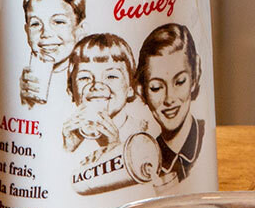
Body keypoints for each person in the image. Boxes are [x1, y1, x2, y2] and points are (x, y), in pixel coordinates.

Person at [60, 33, 160, 186]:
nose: (97, 85)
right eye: (84, 78)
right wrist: (67, 149)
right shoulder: (71, 137)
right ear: (71, 90)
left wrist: (115, 149)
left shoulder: (141, 135)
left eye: (111, 76)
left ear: (131, 88)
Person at [137, 23, 205, 185]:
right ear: (141, 91)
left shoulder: (205, 137)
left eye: (180, 82)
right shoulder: (146, 162)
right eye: (156, 87)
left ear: (195, 76)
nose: (169, 99)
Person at [20, 0, 85, 109]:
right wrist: (23, 102)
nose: (46, 33)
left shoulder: (90, 80)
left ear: (80, 29)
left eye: (58, 22)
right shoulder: (22, 81)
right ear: (27, 30)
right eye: (35, 24)